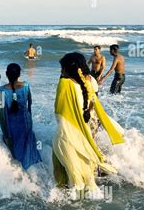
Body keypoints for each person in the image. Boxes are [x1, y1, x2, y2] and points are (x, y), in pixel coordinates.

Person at [52, 52, 125, 191]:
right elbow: (93, 101)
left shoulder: (65, 84)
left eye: (62, 68)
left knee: (73, 159)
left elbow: (58, 110)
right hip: (89, 120)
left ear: (70, 69)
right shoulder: (91, 81)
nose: (61, 72)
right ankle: (94, 175)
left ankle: (73, 187)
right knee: (88, 148)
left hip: (70, 128)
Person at [0, 63, 42, 169]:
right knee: (28, 152)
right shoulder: (26, 86)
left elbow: (1, 116)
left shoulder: (0, 91)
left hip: (12, 128)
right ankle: (34, 175)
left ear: (6, 74)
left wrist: (6, 134)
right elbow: (29, 105)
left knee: (14, 155)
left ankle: (18, 178)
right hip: (26, 124)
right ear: (19, 74)